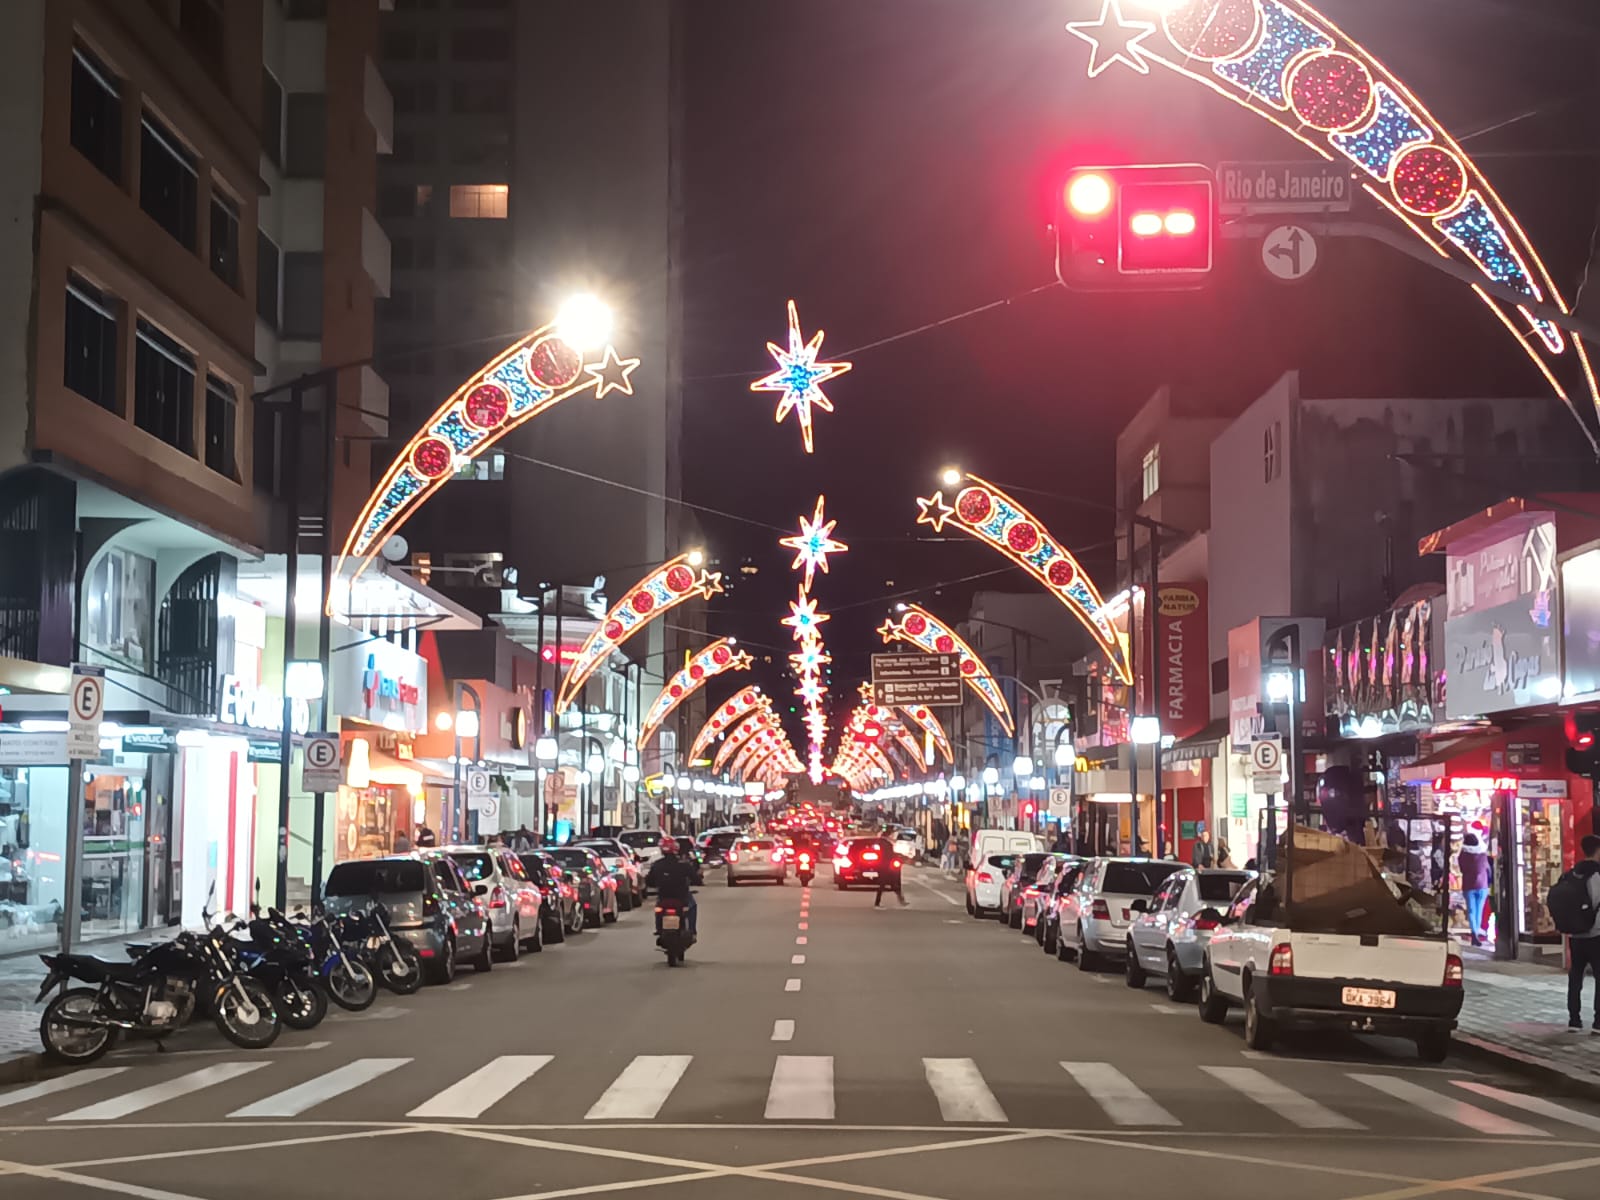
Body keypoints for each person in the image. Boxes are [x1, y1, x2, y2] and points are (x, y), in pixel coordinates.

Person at [1568, 834, 1600, 1031]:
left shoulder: (1572, 873)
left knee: (1575, 976)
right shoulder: (1595, 876)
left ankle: (1574, 1019)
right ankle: (1598, 1021)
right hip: (1595, 933)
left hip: (1575, 934)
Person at [645, 836, 698, 939]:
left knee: (658, 908)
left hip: (664, 896)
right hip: (681, 897)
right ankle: (692, 930)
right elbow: (695, 878)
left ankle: (659, 929)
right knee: (692, 907)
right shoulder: (683, 865)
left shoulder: (657, 865)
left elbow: (649, 881)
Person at [1458, 832, 1492, 948]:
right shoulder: (1482, 854)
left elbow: (1462, 869)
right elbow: (1488, 869)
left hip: (1469, 885)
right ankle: (1476, 933)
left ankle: (1474, 933)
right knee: (1479, 910)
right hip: (1483, 885)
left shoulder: (1463, 855)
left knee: (1471, 911)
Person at [870, 835, 909, 908]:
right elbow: (890, 854)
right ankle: (900, 900)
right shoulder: (886, 843)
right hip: (886, 867)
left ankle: (900, 900)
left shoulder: (881, 843)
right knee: (889, 885)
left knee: (889, 885)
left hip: (884, 866)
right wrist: (900, 857)